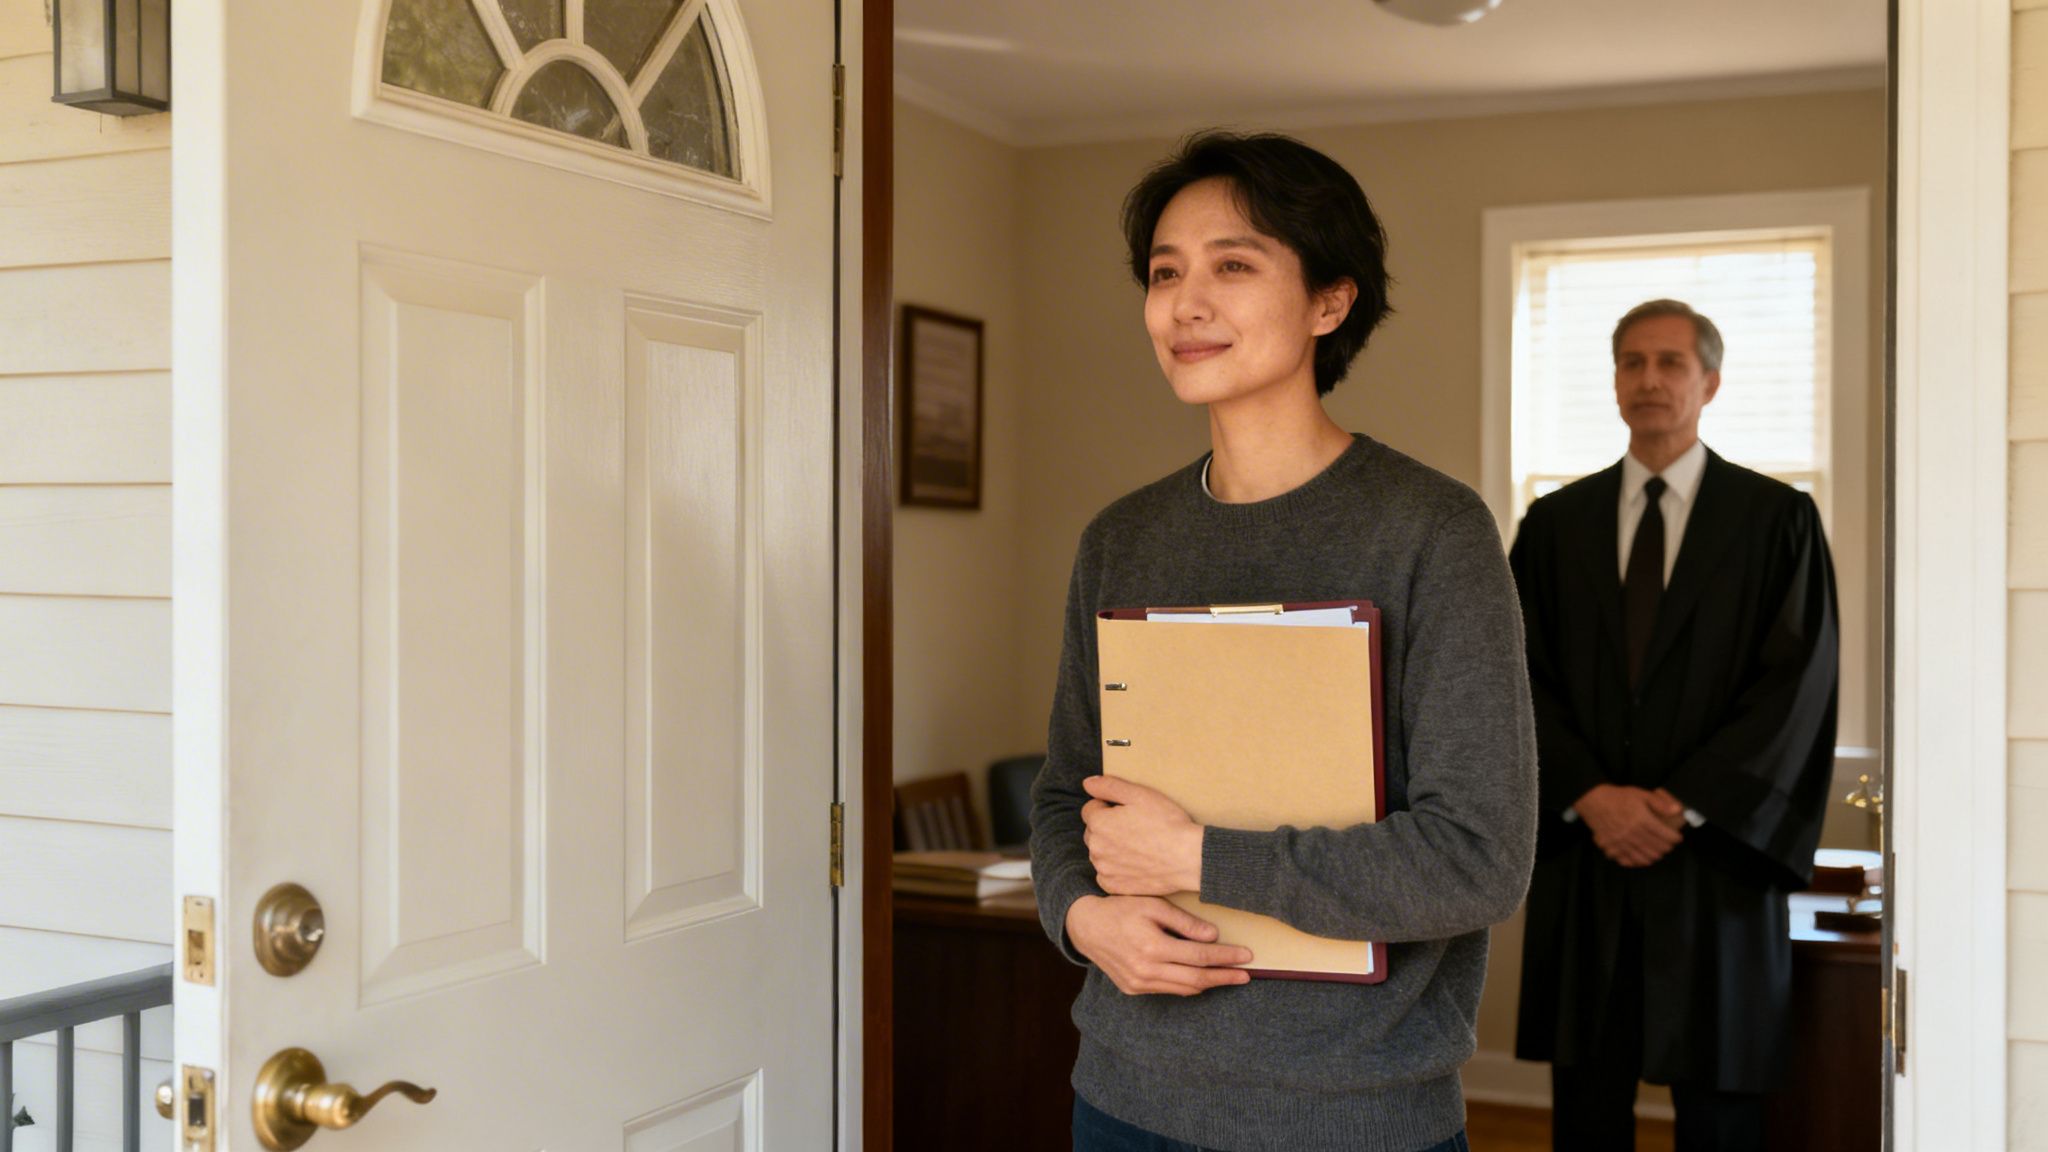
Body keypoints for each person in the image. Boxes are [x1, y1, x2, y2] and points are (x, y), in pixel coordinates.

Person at [1029, 130, 1537, 1152]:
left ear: (1328, 302)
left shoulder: (1431, 532)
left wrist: (1199, 857)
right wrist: (1080, 918)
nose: (1185, 303)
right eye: (1164, 272)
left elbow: (1477, 860)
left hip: (1351, 1115)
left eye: (1232, 265)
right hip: (1124, 1098)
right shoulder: (1119, 541)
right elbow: (1062, 798)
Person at [1509, 299, 1840, 1151]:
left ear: (1710, 382)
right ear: (1615, 381)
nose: (1649, 380)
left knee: (1722, 1108)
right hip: (1589, 856)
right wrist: (1588, 792)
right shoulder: (1553, 528)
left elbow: (1795, 687)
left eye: (1669, 363)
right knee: (1586, 1105)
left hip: (1716, 857)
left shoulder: (1777, 522)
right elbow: (1509, 680)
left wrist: (1679, 805)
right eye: (1631, 362)